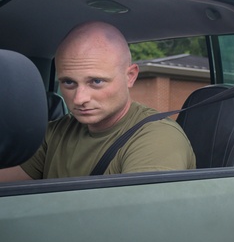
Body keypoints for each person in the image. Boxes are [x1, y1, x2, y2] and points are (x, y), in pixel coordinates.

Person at [0, 21, 195, 181]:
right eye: (69, 82)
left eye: (96, 81)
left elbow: (138, 223)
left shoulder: (157, 139)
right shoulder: (56, 132)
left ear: (130, 76)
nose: (79, 98)